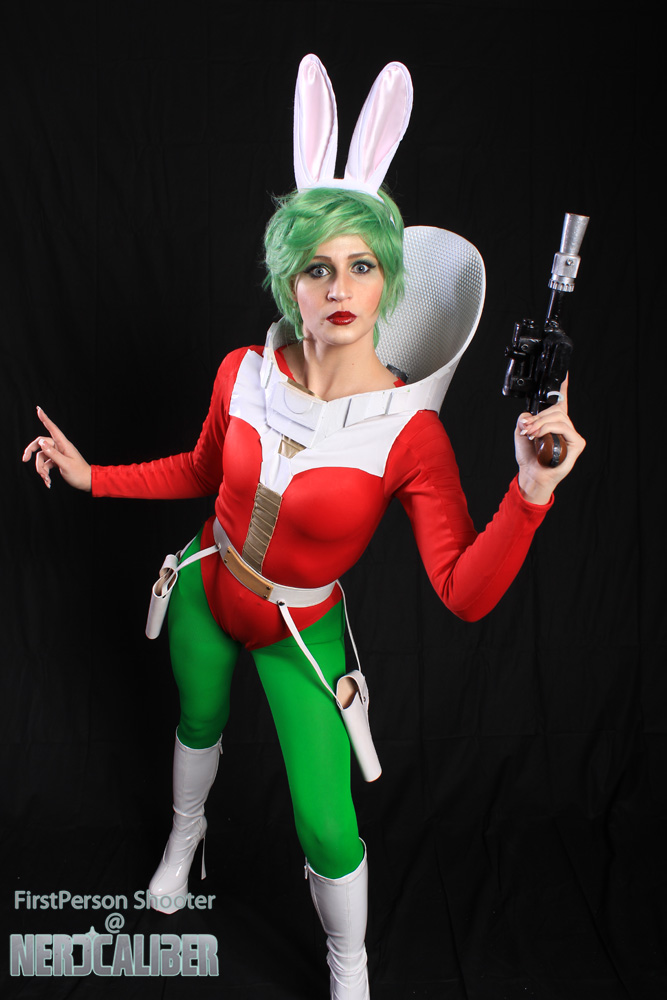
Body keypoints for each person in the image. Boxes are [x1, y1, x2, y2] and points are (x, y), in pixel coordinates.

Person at [22, 55, 585, 1000]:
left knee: (327, 823)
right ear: (290, 280)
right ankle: (187, 837)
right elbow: (201, 471)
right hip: (207, 587)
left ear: (387, 279)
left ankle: (347, 962)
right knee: (196, 723)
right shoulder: (243, 371)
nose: (340, 287)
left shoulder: (410, 432)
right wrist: (93, 479)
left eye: (361, 265)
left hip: (301, 629)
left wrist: (529, 491)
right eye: (318, 266)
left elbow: (463, 592)